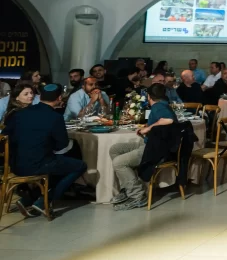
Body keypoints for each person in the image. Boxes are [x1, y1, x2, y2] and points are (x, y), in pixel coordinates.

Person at [2, 83, 87, 217]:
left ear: (40, 97)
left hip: (15, 165)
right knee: (79, 165)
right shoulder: (55, 117)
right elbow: (61, 146)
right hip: (39, 165)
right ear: (59, 98)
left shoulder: (20, 113)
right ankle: (44, 201)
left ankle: (29, 199)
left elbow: (6, 135)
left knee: (56, 164)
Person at [108, 82, 176, 210]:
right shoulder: (163, 105)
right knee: (115, 149)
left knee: (119, 162)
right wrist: (148, 128)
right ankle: (128, 187)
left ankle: (137, 195)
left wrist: (148, 128)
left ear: (149, 96)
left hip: (154, 149)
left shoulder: (158, 107)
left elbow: (168, 120)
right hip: (150, 143)